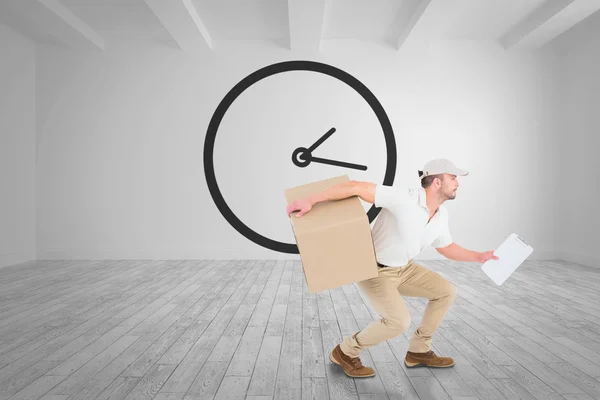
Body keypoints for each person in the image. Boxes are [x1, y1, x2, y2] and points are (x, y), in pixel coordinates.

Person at [285, 158, 499, 378]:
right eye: (453, 178)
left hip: (404, 269)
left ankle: (419, 351)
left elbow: (446, 247)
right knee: (398, 322)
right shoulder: (404, 198)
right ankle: (345, 352)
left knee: (446, 291)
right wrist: (310, 200)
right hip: (375, 271)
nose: (457, 183)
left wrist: (479, 256)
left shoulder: (441, 215)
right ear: (436, 182)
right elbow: (355, 187)